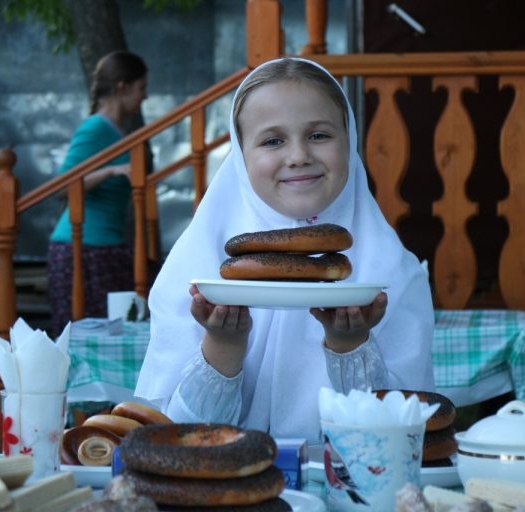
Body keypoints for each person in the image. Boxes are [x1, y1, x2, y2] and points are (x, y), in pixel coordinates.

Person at [135, 58, 434, 442]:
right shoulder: (196, 271)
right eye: (273, 141)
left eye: (319, 135)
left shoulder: (392, 274)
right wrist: (224, 345)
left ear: (350, 141)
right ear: (240, 157)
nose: (298, 156)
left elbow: (402, 437)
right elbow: (175, 436)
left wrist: (350, 345)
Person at [47, 51, 148, 335]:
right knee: (82, 341)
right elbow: (61, 187)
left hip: (103, 250)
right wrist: (111, 171)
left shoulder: (115, 131)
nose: (146, 96)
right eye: (142, 88)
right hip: (83, 253)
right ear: (122, 87)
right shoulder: (95, 128)